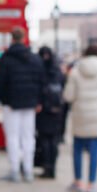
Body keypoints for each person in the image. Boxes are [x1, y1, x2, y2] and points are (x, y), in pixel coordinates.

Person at [0, 27, 45, 182]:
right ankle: (28, 171)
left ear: (12, 38)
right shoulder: (35, 58)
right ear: (24, 38)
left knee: (13, 136)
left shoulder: (6, 58)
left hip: (11, 102)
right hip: (30, 103)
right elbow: (41, 82)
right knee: (29, 137)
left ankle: (15, 170)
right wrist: (39, 101)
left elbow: (0, 82)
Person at [63, 44, 97, 192]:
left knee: (78, 149)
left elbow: (68, 96)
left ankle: (78, 181)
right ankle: (91, 184)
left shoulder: (76, 70)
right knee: (94, 151)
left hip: (81, 114)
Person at [35, 46, 65, 179]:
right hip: (57, 110)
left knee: (44, 139)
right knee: (54, 140)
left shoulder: (39, 70)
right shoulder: (58, 71)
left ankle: (46, 166)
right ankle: (52, 167)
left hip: (43, 109)